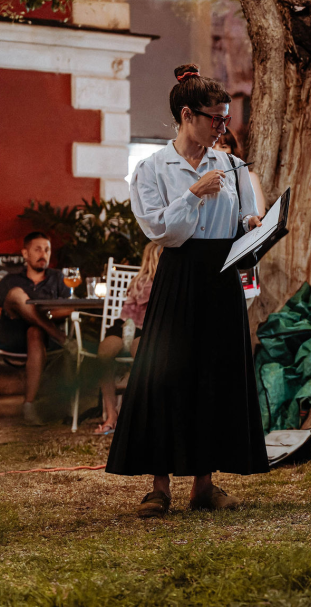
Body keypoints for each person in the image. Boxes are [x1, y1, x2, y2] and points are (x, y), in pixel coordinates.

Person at [106, 63, 268, 517]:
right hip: (179, 276)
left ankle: (204, 484)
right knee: (167, 376)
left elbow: (245, 221)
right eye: (214, 118)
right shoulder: (153, 169)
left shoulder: (233, 166)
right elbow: (162, 231)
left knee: (215, 377)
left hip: (223, 276)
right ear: (186, 115)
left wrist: (254, 227)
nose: (222, 127)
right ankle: (158, 487)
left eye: (225, 118)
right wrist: (194, 194)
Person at [0, 232, 70, 425]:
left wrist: (37, 317)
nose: (43, 254)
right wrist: (20, 313)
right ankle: (59, 335)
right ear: (25, 253)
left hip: (44, 341)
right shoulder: (11, 280)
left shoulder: (58, 278)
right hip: (13, 335)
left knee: (35, 331)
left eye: (47, 250)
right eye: (37, 249)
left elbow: (71, 306)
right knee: (16, 294)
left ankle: (29, 405)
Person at [92, 241, 161, 436]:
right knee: (104, 353)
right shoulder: (141, 281)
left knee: (142, 355)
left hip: (147, 330)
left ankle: (133, 415)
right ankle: (111, 415)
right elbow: (129, 316)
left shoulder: (170, 282)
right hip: (127, 324)